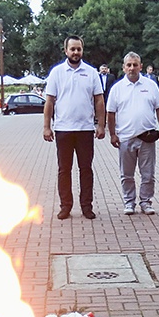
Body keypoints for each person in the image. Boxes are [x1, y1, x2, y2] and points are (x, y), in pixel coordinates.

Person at [42, 35, 105, 220]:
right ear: (66, 51)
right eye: (73, 49)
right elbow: (50, 101)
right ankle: (65, 206)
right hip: (63, 129)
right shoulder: (57, 73)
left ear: (82, 51)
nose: (76, 52)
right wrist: (47, 126)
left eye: (79, 49)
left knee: (86, 169)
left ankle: (87, 206)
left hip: (85, 129)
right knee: (64, 169)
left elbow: (99, 100)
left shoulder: (92, 72)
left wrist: (101, 125)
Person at [106, 51, 159, 215]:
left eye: (135, 64)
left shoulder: (150, 85)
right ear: (124, 68)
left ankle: (146, 202)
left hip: (147, 137)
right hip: (125, 138)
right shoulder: (117, 89)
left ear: (141, 66)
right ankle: (129, 202)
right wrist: (112, 134)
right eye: (129, 65)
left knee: (148, 174)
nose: (132, 68)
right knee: (126, 175)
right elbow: (110, 113)